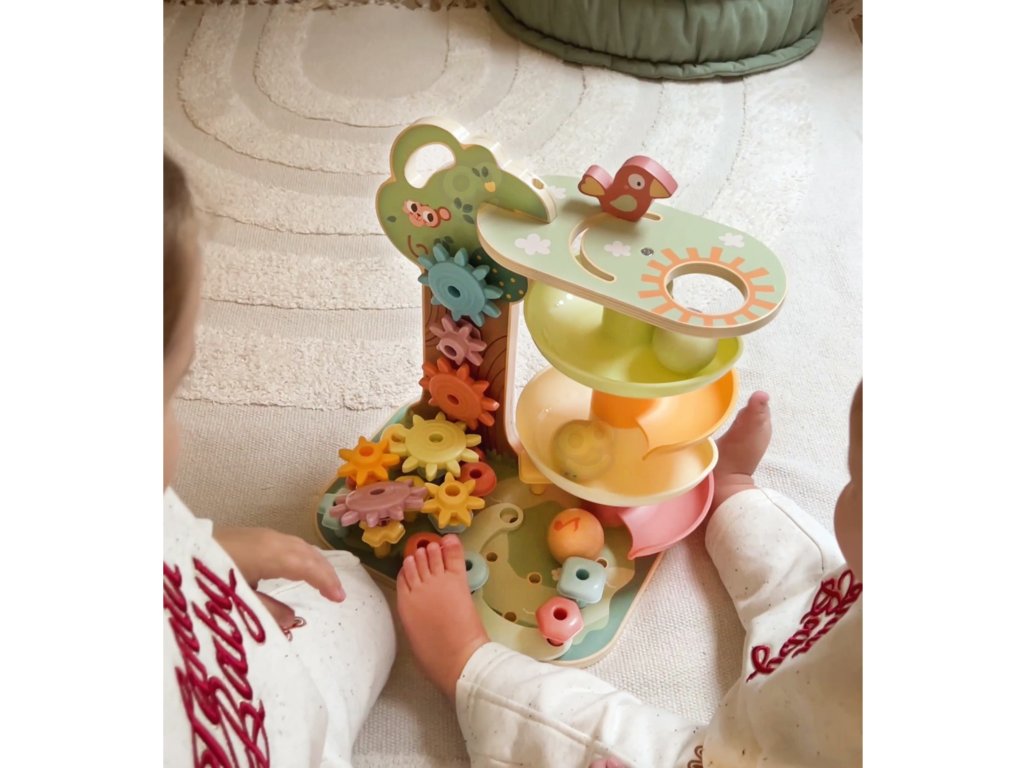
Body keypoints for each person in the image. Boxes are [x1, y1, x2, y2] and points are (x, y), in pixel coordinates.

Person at [397, 385, 863, 767]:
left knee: (591, 733)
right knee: (807, 574)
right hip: (836, 617)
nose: (851, 487)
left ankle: (467, 665)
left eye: (859, 483)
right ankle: (734, 492)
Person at [163, 153, 396, 767]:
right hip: (268, 742)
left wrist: (199, 561)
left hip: (237, 662)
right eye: (169, 394)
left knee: (347, 585)